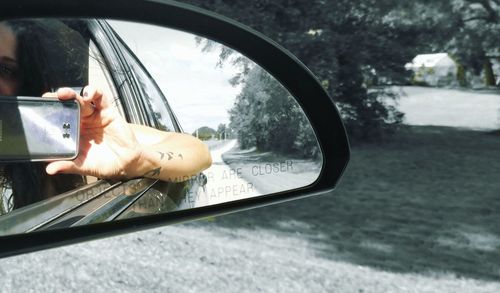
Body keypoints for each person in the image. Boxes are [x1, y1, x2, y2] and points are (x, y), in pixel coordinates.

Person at [0, 19, 211, 210]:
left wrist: (137, 162)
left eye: (4, 70)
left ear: (26, 83)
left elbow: (199, 152)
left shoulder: (71, 136)